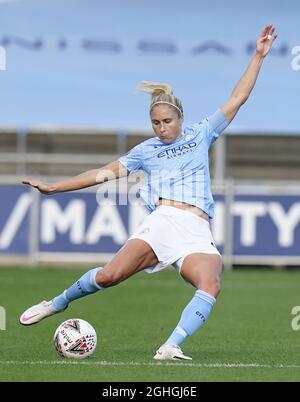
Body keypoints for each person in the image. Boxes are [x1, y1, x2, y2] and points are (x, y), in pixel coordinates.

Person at [19, 25, 277, 360]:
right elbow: (102, 174)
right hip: (164, 221)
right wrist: (56, 187)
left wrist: (258, 56)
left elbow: (237, 98)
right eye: (155, 123)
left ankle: (170, 346)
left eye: (167, 121)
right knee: (110, 276)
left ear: (180, 117)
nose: (161, 127)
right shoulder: (145, 151)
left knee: (211, 284)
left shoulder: (201, 134)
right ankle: (56, 303)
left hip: (197, 230)